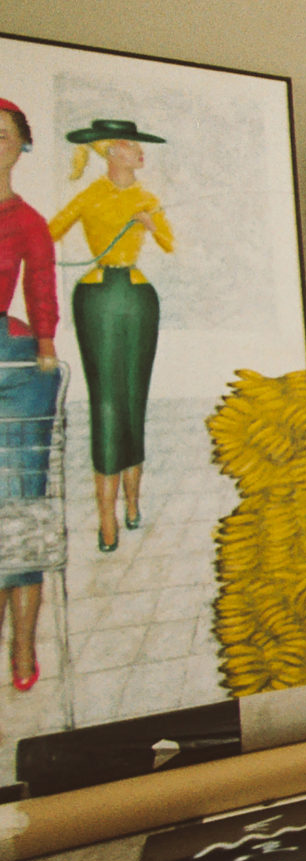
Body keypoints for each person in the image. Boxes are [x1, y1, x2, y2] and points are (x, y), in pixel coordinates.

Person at [47, 118, 173, 553]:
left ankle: (133, 503)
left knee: (134, 398)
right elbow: (50, 233)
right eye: (129, 145)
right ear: (109, 151)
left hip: (138, 297)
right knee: (106, 402)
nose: (139, 152)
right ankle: (106, 518)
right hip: (96, 297)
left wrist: (151, 223)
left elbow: (170, 243)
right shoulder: (91, 195)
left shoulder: (147, 197)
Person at [0, 98, 61, 692]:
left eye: (1, 135)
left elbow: (41, 284)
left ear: (22, 146)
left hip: (14, 362)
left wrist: (44, 340)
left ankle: (23, 644)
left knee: (21, 505)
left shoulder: (28, 221)